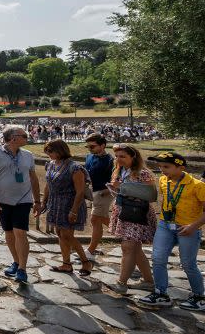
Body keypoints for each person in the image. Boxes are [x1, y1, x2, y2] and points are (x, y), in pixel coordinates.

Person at [136, 152, 205, 310]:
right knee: (158, 258)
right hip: (165, 225)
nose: (162, 170)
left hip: (187, 228)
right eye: (160, 166)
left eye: (166, 166)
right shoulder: (162, 180)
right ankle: (161, 294)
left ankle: (199, 297)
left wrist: (193, 226)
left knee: (188, 264)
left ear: (180, 167)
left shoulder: (198, 185)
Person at [0, 125, 41, 283]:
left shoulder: (28, 155)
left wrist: (37, 200)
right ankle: (16, 261)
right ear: (13, 138)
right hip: (2, 201)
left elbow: (34, 179)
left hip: (23, 200)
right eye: (24, 136)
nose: (27, 138)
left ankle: (22, 269)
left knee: (20, 232)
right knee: (8, 232)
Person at [106, 144, 156, 293]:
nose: (118, 159)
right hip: (124, 211)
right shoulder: (119, 170)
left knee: (128, 247)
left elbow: (151, 196)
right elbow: (121, 192)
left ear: (133, 157)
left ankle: (121, 284)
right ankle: (148, 281)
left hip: (137, 213)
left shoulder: (143, 173)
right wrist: (114, 188)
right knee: (135, 249)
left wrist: (122, 187)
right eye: (117, 156)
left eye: (122, 156)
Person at [38, 139, 92, 276]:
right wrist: (44, 202)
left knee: (67, 235)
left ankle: (86, 262)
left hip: (70, 204)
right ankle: (66, 263)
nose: (48, 154)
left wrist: (73, 210)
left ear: (60, 150)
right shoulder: (50, 164)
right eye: (46, 151)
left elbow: (80, 191)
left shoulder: (75, 167)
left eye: (50, 151)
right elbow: (48, 184)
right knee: (60, 234)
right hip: (55, 204)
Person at [84, 133, 115, 260]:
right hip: (93, 191)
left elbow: (116, 178)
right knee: (97, 221)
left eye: (93, 146)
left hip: (104, 192)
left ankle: (90, 250)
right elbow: (87, 173)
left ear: (103, 145)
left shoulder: (111, 160)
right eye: (88, 146)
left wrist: (107, 191)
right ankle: (93, 248)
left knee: (96, 219)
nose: (90, 149)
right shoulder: (89, 156)